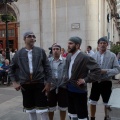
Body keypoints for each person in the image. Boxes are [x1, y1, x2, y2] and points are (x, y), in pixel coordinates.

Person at [8, 31, 52, 120]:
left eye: (33, 36)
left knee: (43, 110)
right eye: (29, 36)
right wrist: (14, 82)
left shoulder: (40, 51)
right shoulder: (19, 53)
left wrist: (48, 83)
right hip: (25, 85)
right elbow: (11, 69)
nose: (32, 38)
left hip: (39, 84)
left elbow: (48, 68)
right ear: (24, 39)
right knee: (30, 110)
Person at [66, 37, 101, 120]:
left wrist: (85, 80)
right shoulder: (69, 56)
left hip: (79, 90)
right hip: (69, 89)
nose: (68, 45)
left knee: (82, 115)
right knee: (72, 114)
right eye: (68, 43)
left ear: (77, 45)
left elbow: (97, 70)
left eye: (71, 43)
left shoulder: (85, 57)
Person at [89, 36, 120, 120]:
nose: (102, 45)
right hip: (95, 82)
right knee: (92, 101)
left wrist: (105, 71)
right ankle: (92, 117)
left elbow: (117, 69)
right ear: (98, 45)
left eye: (104, 43)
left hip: (106, 82)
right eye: (101, 43)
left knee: (107, 102)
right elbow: (88, 69)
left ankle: (106, 117)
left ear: (107, 45)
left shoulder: (112, 56)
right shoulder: (93, 56)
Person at [48, 44, 68, 120]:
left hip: (62, 86)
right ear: (52, 51)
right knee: (50, 106)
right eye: (54, 49)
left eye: (57, 49)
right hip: (51, 86)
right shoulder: (48, 61)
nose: (55, 51)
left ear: (61, 51)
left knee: (63, 106)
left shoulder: (65, 61)